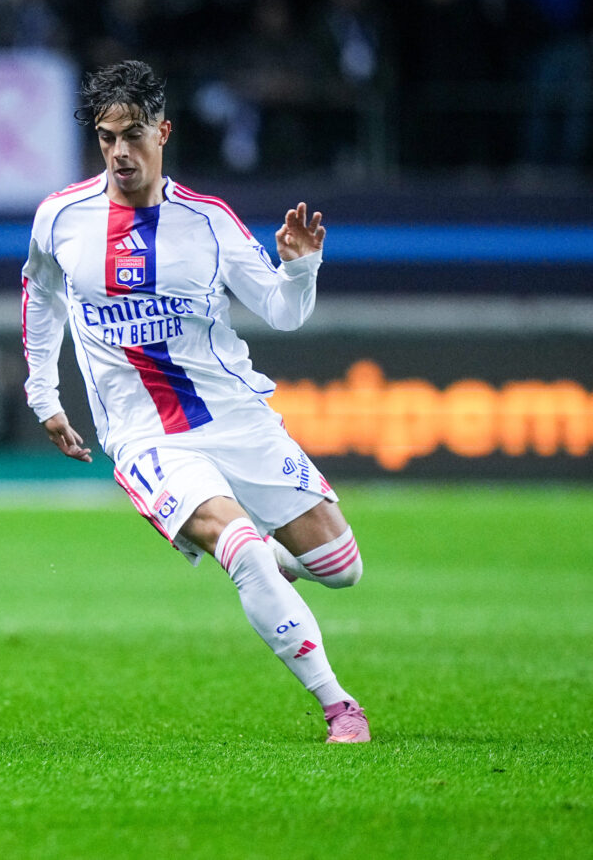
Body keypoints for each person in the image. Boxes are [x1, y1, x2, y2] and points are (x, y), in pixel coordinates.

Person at [21, 60, 370, 744]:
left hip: (237, 418)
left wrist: (301, 268)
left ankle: (276, 565)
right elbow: (41, 295)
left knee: (342, 570)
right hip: (145, 436)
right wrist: (44, 393)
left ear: (164, 131)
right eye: (106, 137)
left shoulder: (209, 222)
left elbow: (282, 311)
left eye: (133, 134)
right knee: (236, 543)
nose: (120, 151)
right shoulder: (61, 216)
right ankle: (339, 706)